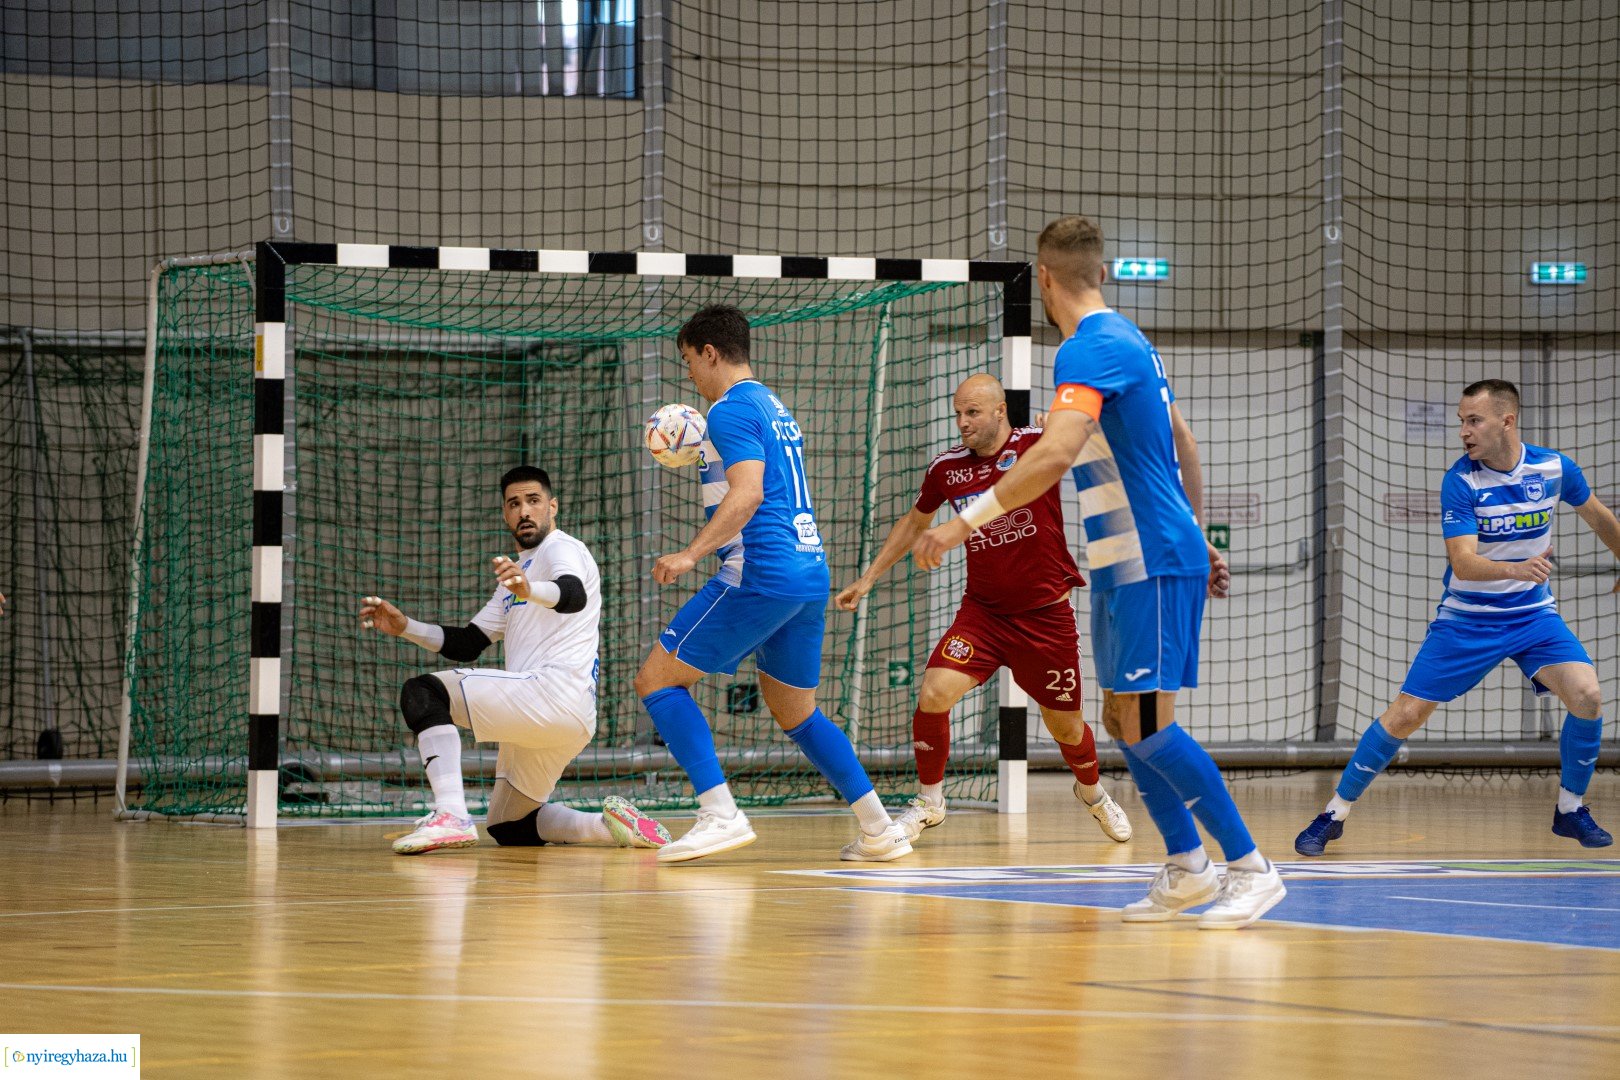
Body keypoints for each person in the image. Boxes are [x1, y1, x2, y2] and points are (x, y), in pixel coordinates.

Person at [913, 215, 1285, 929]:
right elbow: (1182, 440)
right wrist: (1197, 529)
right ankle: (1188, 867)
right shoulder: (1128, 340)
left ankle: (1250, 867)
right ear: (1103, 272)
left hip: (1150, 557)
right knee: (1121, 719)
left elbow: (1053, 455)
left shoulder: (1091, 346)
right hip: (1130, 559)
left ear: (1045, 279)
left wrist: (962, 522)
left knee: (1146, 724)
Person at [634, 304, 912, 863]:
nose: (689, 373)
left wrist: (690, 553)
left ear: (710, 353)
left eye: (688, 361)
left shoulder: (729, 410)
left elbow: (749, 493)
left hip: (760, 571)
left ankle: (719, 813)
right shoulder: (773, 406)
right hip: (808, 572)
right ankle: (880, 828)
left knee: (656, 681)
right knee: (796, 712)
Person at [1296, 379, 1618, 855]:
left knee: (1587, 695)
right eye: (1461, 422)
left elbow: (1597, 515)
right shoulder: (1462, 481)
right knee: (1406, 714)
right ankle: (1334, 814)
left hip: (1533, 617)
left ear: (1506, 421)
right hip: (1468, 620)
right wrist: (1516, 569)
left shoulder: (1553, 468)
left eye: (1474, 420)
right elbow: (1464, 563)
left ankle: (1570, 809)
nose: (1464, 431)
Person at [835, 373, 1131, 843]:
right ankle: (930, 802)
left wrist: (1065, 427)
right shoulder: (946, 468)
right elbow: (915, 522)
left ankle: (1093, 794)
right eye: (957, 414)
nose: (962, 422)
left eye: (972, 412)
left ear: (999, 410)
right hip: (984, 615)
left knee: (1067, 729)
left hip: (1045, 617)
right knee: (934, 693)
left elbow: (1104, 445)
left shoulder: (1037, 443)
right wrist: (868, 579)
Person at [359, 465, 670, 855]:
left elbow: (572, 594)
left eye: (533, 501)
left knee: (423, 692)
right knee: (509, 826)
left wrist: (530, 589)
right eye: (514, 503)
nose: (524, 510)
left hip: (551, 692)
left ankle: (452, 815)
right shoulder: (515, 577)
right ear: (505, 514)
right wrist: (406, 626)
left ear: (552, 507)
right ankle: (606, 827)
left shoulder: (561, 548)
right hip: (565, 717)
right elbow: (467, 643)